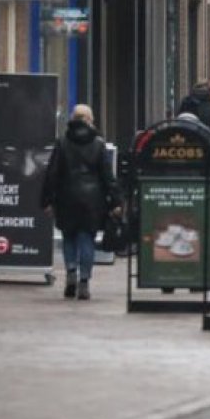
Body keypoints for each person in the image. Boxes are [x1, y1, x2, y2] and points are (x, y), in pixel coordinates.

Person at [42, 104, 122, 300]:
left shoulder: (62, 142)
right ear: (89, 120)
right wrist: (116, 201)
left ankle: (71, 271)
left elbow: (52, 173)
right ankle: (84, 281)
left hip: (66, 196)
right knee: (87, 238)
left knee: (69, 236)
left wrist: (47, 200)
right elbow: (107, 176)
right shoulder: (98, 144)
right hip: (92, 200)